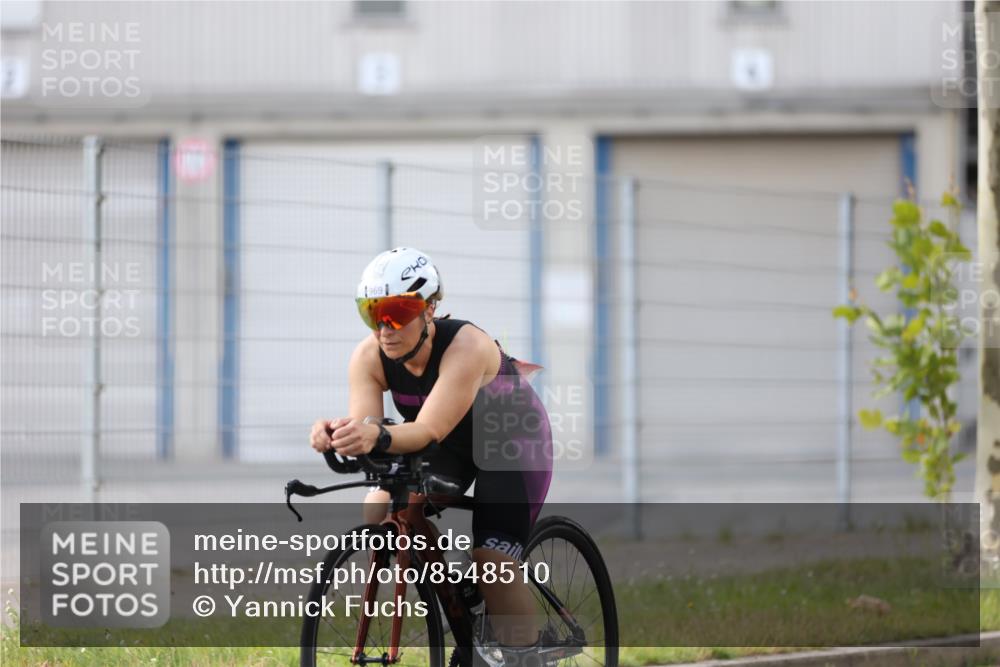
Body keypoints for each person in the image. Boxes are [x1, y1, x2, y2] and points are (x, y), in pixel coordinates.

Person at [309, 247, 553, 649]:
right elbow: (372, 431)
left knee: (493, 563)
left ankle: (522, 649)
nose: (384, 328)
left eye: (397, 312)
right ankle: (453, 591)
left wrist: (376, 435)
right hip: (449, 442)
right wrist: (338, 434)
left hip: (511, 442)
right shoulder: (368, 356)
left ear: (429, 310)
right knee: (378, 506)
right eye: (372, 313)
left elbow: (424, 430)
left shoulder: (466, 347)